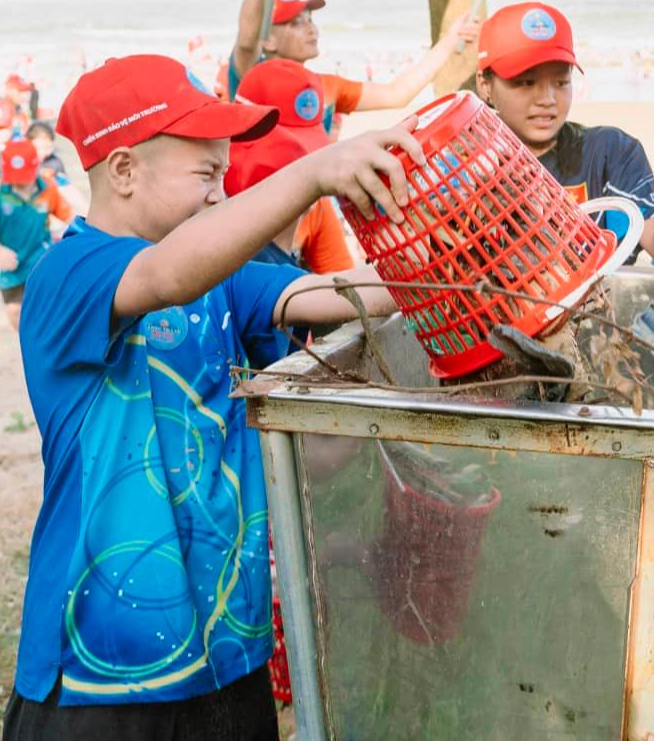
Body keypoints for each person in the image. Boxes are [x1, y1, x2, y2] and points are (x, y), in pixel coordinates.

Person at [2, 54, 423, 741]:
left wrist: (450, 259)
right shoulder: (68, 274)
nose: (220, 193)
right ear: (125, 171)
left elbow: (337, 294)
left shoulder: (227, 282)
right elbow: (166, 274)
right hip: (97, 676)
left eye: (226, 174)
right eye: (205, 173)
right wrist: (313, 171)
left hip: (228, 652)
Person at [475, 2, 654, 266]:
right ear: (485, 85)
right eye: (526, 82)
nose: (547, 98)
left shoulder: (609, 154)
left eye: (561, 82)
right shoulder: (467, 166)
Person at [226, 0, 480, 133]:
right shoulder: (252, 79)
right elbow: (247, 40)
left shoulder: (327, 86)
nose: (311, 29)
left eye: (310, 19)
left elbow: (396, 94)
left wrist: (449, 41)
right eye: (295, 23)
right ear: (267, 39)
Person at [227, 59, 354, 274]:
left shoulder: (313, 199)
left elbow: (341, 282)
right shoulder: (213, 196)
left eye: (308, 151)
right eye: (288, 148)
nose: (301, 161)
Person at [0, 140, 73, 331]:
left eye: (24, 177)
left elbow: (67, 216)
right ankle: (25, 338)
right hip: (11, 266)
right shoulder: (1, 192)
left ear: (36, 166)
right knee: (15, 309)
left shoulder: (48, 188)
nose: (19, 184)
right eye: (14, 178)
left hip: (40, 257)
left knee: (48, 305)